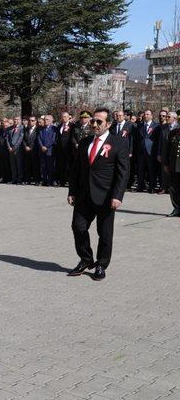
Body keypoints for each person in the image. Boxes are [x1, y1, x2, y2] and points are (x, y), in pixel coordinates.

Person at [67, 108, 129, 281]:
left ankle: (101, 265)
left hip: (106, 196)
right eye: (93, 121)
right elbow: (76, 169)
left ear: (108, 124)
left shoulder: (118, 143)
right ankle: (86, 259)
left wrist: (118, 195)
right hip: (84, 195)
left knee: (105, 233)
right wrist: (72, 191)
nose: (94, 124)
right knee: (78, 227)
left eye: (99, 122)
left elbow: (123, 173)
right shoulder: (85, 142)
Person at [162, 119, 180, 217]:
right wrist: (165, 164)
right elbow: (166, 149)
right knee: (173, 188)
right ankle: (176, 208)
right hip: (174, 165)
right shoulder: (173, 133)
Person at [38, 115, 57, 186]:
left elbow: (53, 139)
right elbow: (39, 138)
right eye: (45, 119)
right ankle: (44, 180)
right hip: (42, 150)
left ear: (51, 120)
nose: (45, 121)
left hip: (50, 150)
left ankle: (51, 181)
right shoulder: (41, 129)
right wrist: (42, 146)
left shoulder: (54, 129)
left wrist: (46, 146)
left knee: (50, 166)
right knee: (43, 166)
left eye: (47, 119)